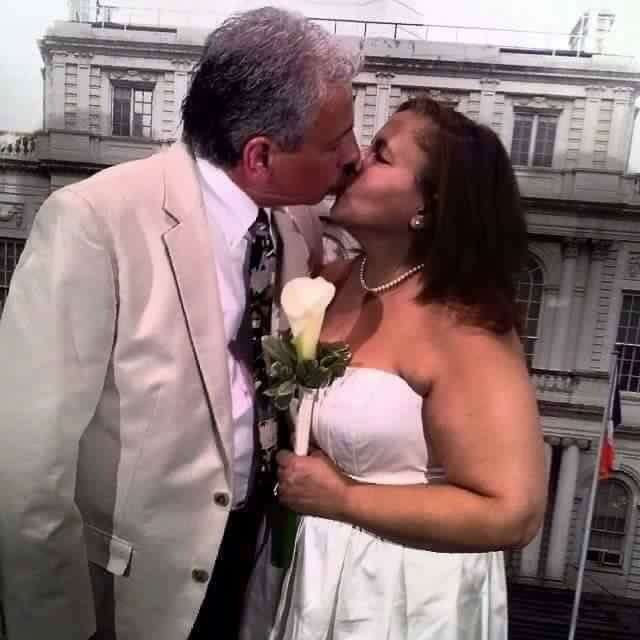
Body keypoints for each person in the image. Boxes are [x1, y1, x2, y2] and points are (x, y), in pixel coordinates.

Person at [0, 8, 359, 640]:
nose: (353, 155)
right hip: (130, 594)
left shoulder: (296, 222)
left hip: (253, 566)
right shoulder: (95, 222)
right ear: (260, 155)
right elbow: (25, 463)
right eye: (336, 143)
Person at [271, 96, 547, 639]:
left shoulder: (464, 326)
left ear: (427, 206)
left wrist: (344, 499)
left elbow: (514, 513)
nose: (355, 159)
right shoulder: (333, 283)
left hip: (404, 595)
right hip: (314, 573)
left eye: (381, 154)